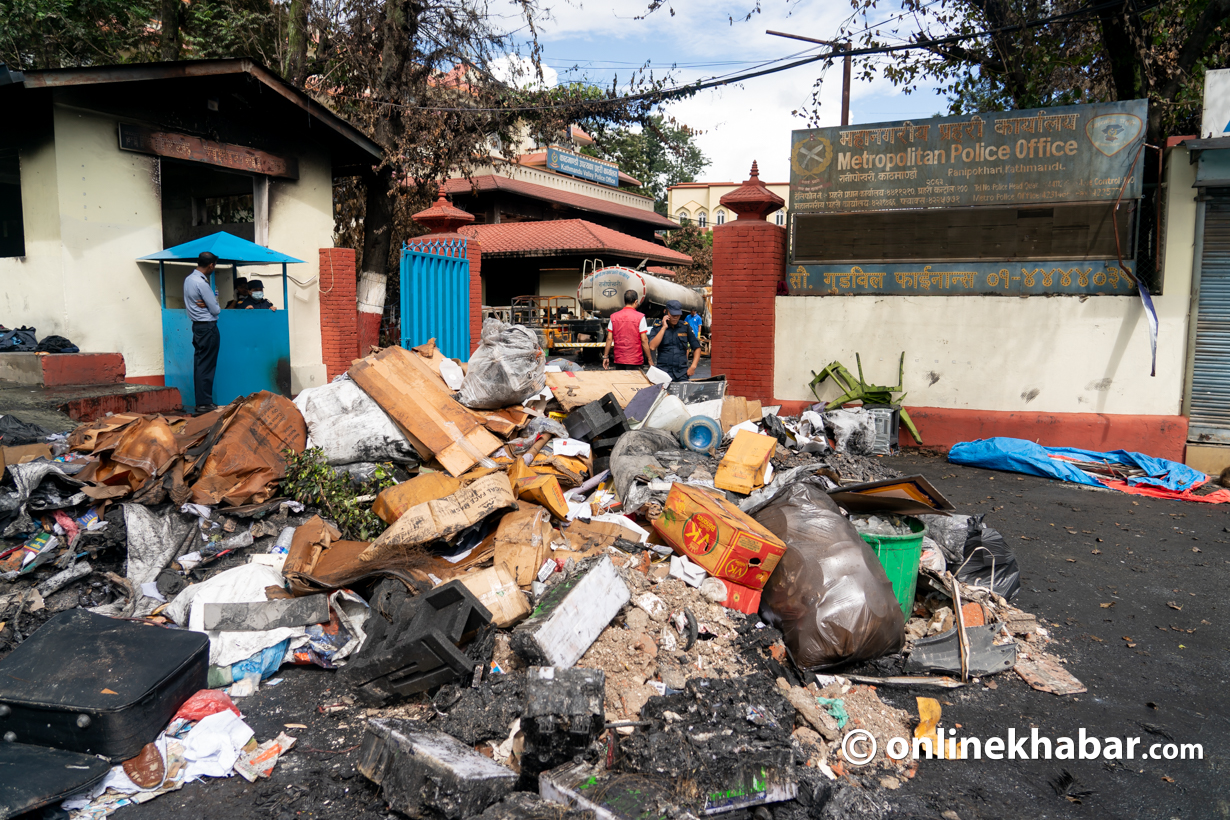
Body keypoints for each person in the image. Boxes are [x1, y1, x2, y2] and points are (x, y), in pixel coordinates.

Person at [183, 251, 221, 414]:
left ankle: (202, 402)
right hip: (208, 327)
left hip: (197, 327)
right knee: (207, 365)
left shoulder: (189, 280)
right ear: (211, 265)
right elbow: (216, 309)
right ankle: (205, 403)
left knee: (200, 365)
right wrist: (209, 305)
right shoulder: (202, 283)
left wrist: (206, 304)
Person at [649, 299, 702, 381]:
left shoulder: (685, 327)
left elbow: (697, 348)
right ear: (666, 312)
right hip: (663, 374)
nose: (675, 317)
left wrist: (693, 367)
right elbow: (652, 347)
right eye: (673, 314)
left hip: (681, 374)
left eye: (678, 315)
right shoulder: (658, 327)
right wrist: (663, 328)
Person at [603, 289, 652, 370]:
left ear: (624, 301)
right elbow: (644, 340)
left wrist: (605, 357)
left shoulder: (614, 316)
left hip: (619, 360)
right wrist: (649, 359)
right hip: (635, 360)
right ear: (636, 301)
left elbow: (609, 339)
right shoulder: (640, 317)